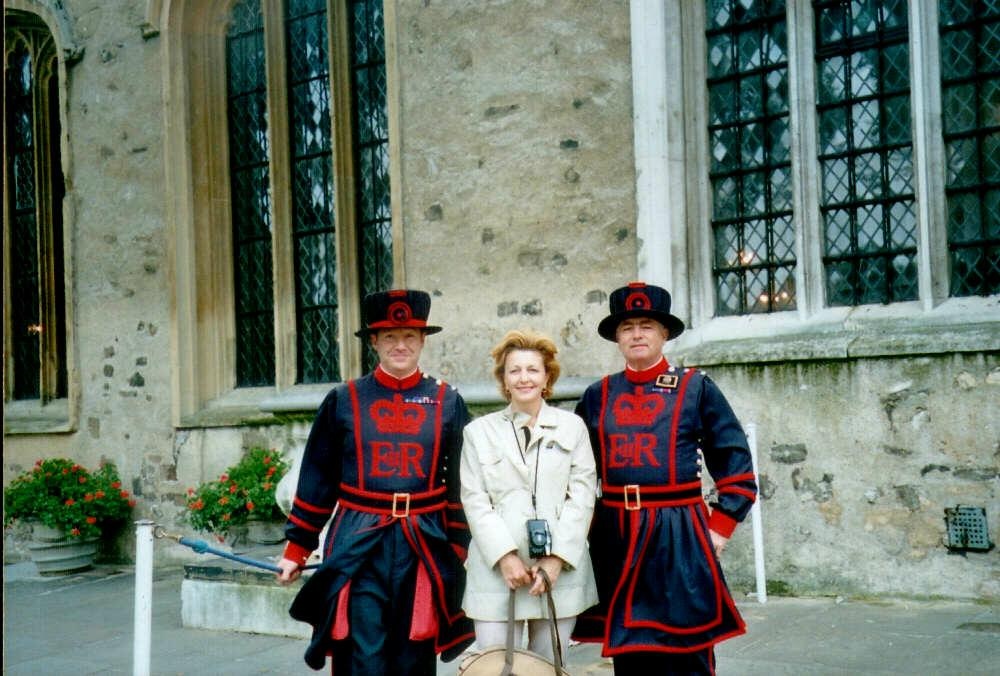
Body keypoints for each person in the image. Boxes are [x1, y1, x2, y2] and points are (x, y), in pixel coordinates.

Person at [275, 289, 474, 674]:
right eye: (389, 338)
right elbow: (318, 477)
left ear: (422, 341)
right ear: (373, 342)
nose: (400, 345)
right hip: (359, 540)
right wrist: (297, 549)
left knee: (414, 649)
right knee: (361, 652)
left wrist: (458, 547)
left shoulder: (448, 401)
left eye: (409, 337)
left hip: (423, 541)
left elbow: (460, 485)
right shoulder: (344, 399)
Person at [572, 282, 758, 675]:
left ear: (664, 333)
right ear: (617, 338)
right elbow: (576, 472)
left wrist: (719, 528)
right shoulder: (596, 395)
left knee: (687, 648)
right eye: (627, 328)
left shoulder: (696, 388)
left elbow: (734, 460)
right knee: (630, 650)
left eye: (646, 325)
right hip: (617, 534)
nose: (637, 334)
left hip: (678, 531)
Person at [460, 329, 598, 662]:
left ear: (547, 377)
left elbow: (582, 496)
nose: (524, 378)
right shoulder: (479, 432)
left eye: (533, 370)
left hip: (558, 570)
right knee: (492, 663)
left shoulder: (572, 428)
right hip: (496, 571)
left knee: (549, 663)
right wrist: (506, 556)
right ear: (504, 380)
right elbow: (475, 500)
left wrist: (556, 559)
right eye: (515, 370)